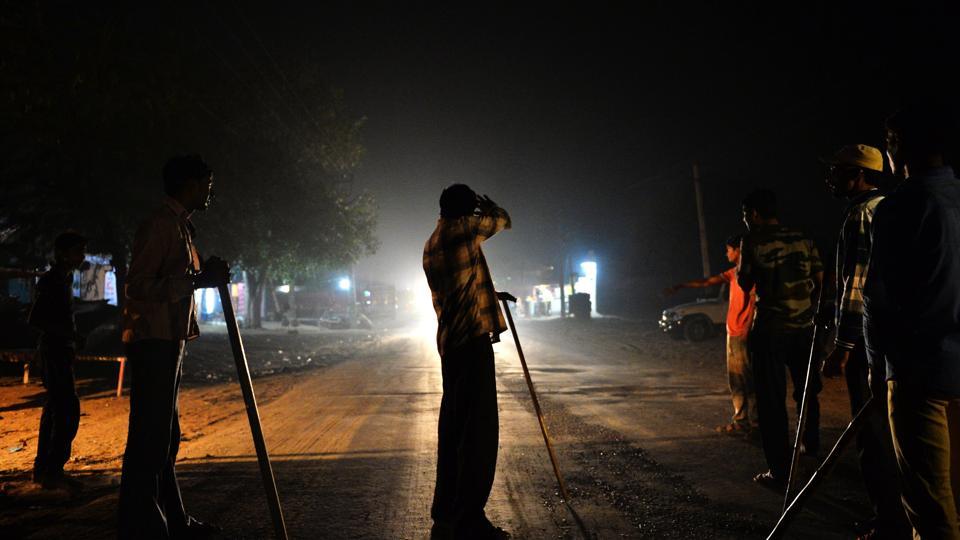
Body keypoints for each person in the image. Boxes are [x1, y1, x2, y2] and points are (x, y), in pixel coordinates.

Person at [117, 155, 229, 539]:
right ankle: (143, 525)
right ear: (190, 184)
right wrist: (197, 282)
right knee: (150, 439)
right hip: (153, 342)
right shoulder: (159, 226)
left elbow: (183, 279)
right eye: (207, 185)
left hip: (171, 341)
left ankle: (173, 522)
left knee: (165, 437)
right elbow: (138, 286)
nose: (211, 192)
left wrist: (202, 277)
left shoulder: (182, 227)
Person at [864, 102, 960, 539]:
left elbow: (878, 297)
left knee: (930, 501)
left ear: (896, 147)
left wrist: (875, 367)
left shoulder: (900, 206)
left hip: (920, 373)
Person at [820, 144, 911, 539]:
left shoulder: (861, 213)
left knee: (872, 434)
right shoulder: (889, 207)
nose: (831, 178)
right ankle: (900, 515)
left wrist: (843, 346)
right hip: (894, 337)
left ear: (859, 175)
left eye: (838, 171)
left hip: (867, 341)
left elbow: (857, 283)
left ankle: (888, 520)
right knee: (894, 431)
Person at [423, 183, 512, 540]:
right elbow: (503, 220)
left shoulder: (433, 242)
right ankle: (470, 521)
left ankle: (446, 514)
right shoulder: (465, 230)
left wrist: (488, 292)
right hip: (472, 347)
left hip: (451, 348)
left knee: (454, 433)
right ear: (466, 210)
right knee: (478, 436)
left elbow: (460, 284)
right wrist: (487, 206)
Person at [737, 188, 824, 488]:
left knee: (771, 401)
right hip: (803, 328)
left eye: (746, 215)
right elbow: (822, 281)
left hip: (770, 330)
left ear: (754, 214)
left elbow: (745, 282)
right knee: (807, 391)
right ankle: (810, 447)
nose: (746, 220)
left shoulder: (752, 241)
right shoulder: (803, 237)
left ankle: (780, 471)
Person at [665, 235, 758, 433]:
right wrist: (682, 286)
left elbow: (755, 304)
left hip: (742, 333)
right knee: (736, 379)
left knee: (747, 380)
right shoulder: (734, 273)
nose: (726, 253)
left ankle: (753, 423)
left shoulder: (750, 275)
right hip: (733, 333)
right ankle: (742, 421)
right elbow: (707, 282)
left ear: (738, 250)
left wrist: (748, 330)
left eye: (729, 249)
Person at [28, 231, 88, 490]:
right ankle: (51, 470)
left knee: (56, 408)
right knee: (66, 410)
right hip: (53, 351)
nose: (81, 256)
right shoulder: (53, 281)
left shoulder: (64, 279)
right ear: (63, 254)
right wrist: (70, 334)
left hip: (60, 350)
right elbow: (37, 318)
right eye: (77, 251)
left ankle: (45, 469)